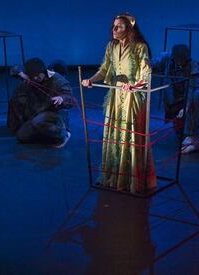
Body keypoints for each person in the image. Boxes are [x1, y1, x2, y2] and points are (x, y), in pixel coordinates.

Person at [82, 13, 156, 193]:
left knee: (130, 136)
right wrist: (90, 80)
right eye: (114, 26)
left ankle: (131, 179)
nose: (114, 30)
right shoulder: (111, 46)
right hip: (116, 96)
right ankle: (113, 176)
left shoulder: (140, 47)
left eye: (119, 27)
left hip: (132, 96)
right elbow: (105, 68)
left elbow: (146, 72)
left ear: (129, 29)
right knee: (114, 134)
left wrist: (135, 86)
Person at [7, 57, 73, 148]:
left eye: (37, 75)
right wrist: (22, 74)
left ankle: (62, 134)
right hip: (39, 112)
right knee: (21, 136)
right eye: (32, 76)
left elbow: (69, 97)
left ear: (43, 71)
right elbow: (14, 69)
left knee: (37, 121)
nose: (35, 78)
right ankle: (48, 136)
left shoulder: (59, 80)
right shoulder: (32, 79)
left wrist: (61, 98)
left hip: (52, 112)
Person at [152, 44, 199, 146]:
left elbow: (190, 89)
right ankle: (183, 122)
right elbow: (152, 65)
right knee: (179, 130)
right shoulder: (167, 59)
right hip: (176, 93)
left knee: (195, 97)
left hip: (192, 93)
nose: (180, 63)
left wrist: (186, 107)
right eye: (178, 60)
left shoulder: (192, 66)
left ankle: (190, 134)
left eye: (182, 60)